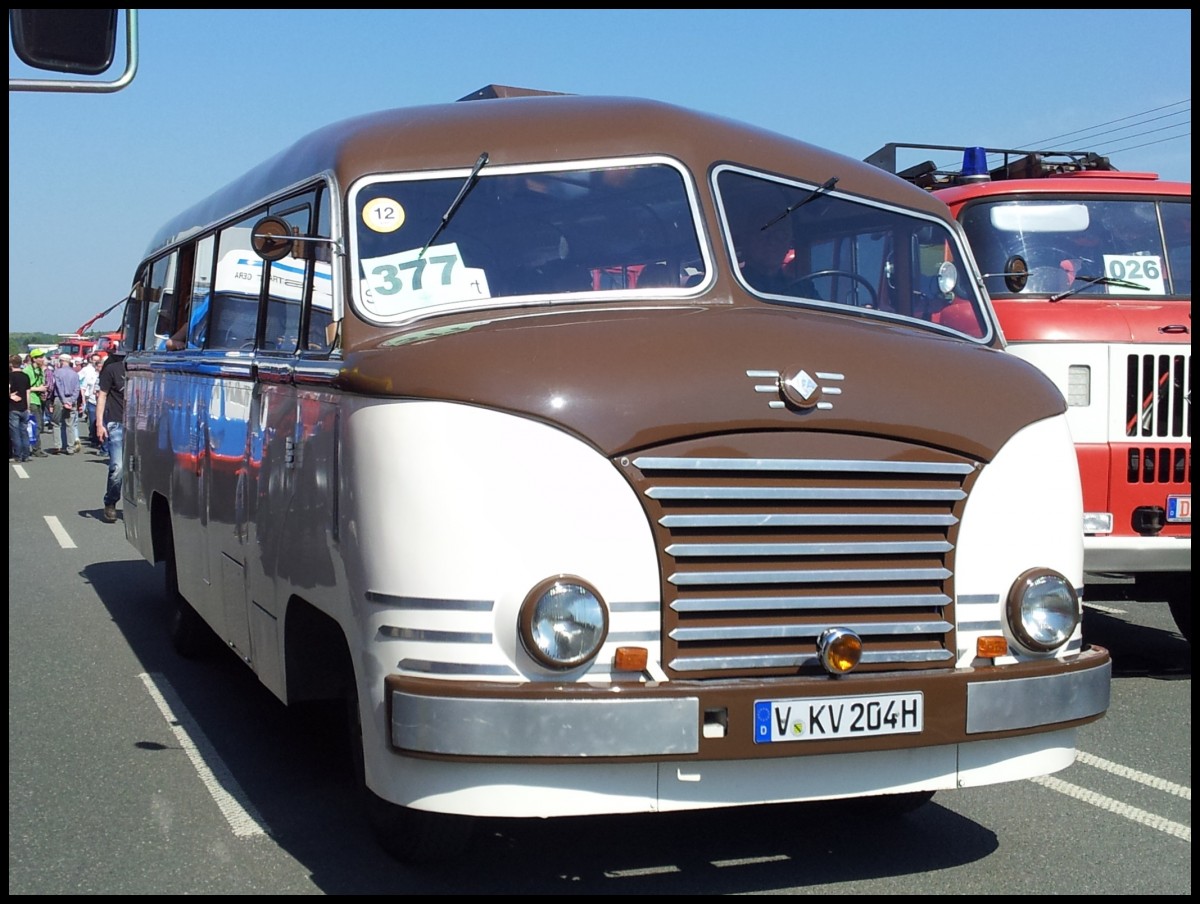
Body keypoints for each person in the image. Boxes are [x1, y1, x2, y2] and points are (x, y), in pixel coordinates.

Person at [95, 345, 127, 523]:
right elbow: (102, 395)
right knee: (118, 467)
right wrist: (100, 423)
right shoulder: (112, 370)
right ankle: (111, 502)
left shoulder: (143, 370)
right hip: (117, 422)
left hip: (141, 424)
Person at [52, 352, 82, 454]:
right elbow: (77, 389)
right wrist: (72, 400)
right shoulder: (75, 374)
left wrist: (64, 400)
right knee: (70, 424)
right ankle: (70, 447)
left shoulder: (57, 372)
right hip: (71, 400)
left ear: (61, 361)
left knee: (57, 423)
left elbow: (58, 387)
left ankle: (58, 445)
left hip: (59, 399)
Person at [22, 349, 48, 457]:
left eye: (42, 357)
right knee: (35, 426)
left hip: (38, 400)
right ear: (34, 359)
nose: (42, 359)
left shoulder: (40, 370)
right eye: (40, 357)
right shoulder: (27, 371)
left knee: (38, 425)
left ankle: (34, 447)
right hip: (31, 400)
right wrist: (38, 389)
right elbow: (25, 388)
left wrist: (43, 392)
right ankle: (36, 449)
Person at [9, 355, 33, 463]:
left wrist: (11, 396)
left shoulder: (10, 376)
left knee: (15, 432)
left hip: (13, 408)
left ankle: (17, 455)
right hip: (24, 407)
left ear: (10, 364)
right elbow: (28, 392)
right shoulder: (25, 376)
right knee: (24, 431)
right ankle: (26, 454)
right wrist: (28, 407)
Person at [79, 353, 101, 447]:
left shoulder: (104, 374)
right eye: (94, 360)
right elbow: (82, 386)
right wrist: (83, 400)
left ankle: (100, 439)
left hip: (101, 402)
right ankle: (94, 439)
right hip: (91, 400)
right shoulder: (87, 371)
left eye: (98, 360)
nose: (96, 361)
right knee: (92, 421)